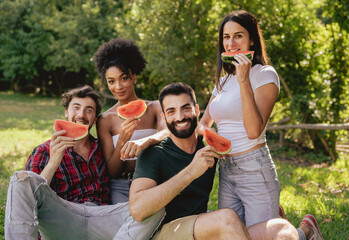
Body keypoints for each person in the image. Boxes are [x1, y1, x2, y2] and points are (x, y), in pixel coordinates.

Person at [199, 10, 323, 240]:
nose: (231, 43)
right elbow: (205, 122)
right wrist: (211, 143)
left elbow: (253, 130)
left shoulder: (265, 75)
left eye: (238, 36)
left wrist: (244, 78)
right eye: (226, 37)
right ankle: (281, 222)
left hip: (254, 168)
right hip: (226, 169)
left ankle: (303, 232)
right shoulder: (223, 81)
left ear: (252, 40)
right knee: (231, 235)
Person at [129, 82, 300, 240]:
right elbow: (138, 210)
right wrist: (191, 172)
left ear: (197, 110)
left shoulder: (209, 148)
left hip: (202, 228)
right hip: (165, 232)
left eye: (186, 108)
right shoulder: (153, 153)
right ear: (164, 117)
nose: (180, 117)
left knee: (282, 229)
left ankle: (306, 230)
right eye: (171, 111)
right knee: (226, 218)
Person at [4, 85, 164, 240]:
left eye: (89, 110)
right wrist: (53, 163)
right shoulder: (44, 150)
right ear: (66, 112)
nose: (81, 114)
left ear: (94, 119)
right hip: (65, 217)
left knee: (154, 205)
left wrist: (129, 142)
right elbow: (32, 195)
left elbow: (118, 170)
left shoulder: (101, 148)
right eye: (76, 107)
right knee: (21, 178)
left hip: (103, 218)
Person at [94, 37, 168, 204]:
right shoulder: (105, 120)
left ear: (134, 77)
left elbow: (167, 132)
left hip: (152, 182)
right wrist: (122, 142)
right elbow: (111, 172)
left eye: (124, 78)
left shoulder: (155, 107)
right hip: (119, 186)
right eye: (111, 81)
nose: (118, 87)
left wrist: (144, 142)